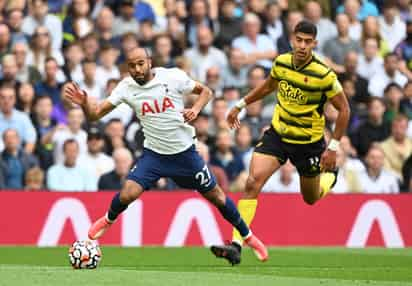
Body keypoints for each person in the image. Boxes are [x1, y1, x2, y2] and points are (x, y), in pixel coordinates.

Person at [64, 47, 267, 264]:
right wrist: (85, 103)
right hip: (154, 156)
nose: (136, 69)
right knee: (127, 193)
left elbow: (206, 91)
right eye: (132, 66)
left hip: (185, 155)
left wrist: (196, 109)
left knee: (217, 197)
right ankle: (107, 220)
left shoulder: (173, 77)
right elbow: (95, 114)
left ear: (150, 62)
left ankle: (248, 237)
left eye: (140, 63)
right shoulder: (126, 87)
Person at [210, 21, 350, 265]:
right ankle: (235, 245)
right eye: (299, 40)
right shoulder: (281, 62)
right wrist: (240, 105)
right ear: (292, 39)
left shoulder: (324, 75)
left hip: (308, 143)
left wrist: (334, 147)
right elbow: (268, 86)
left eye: (308, 41)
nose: (303, 46)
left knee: (311, 197)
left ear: (315, 44)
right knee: (252, 182)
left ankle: (331, 176)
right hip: (278, 135)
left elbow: (344, 109)